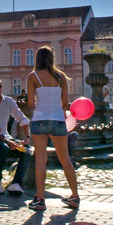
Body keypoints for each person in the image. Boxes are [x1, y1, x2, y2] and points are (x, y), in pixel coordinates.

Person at [27, 46, 79, 211]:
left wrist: (37, 104)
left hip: (40, 118)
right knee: (65, 158)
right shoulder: (61, 77)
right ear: (52, 59)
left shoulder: (33, 76)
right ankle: (75, 196)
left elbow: (30, 104)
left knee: (41, 159)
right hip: (57, 119)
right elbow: (65, 103)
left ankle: (40, 199)